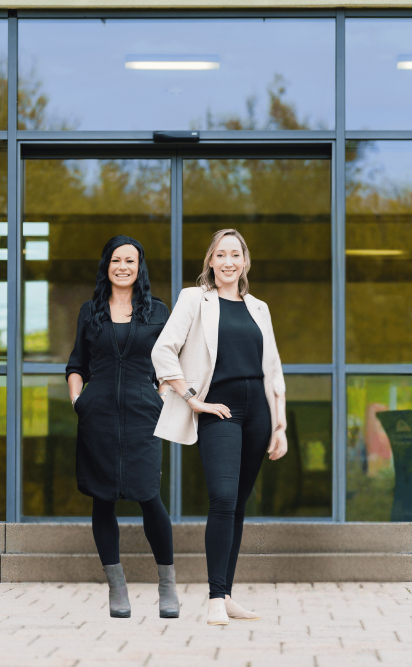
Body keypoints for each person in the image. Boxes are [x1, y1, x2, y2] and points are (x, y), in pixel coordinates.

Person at [151, 228, 288, 626]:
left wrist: (279, 426)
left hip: (259, 412)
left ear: (245, 262)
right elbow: (163, 349)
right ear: (211, 261)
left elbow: (273, 369)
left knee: (239, 505)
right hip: (220, 410)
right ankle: (214, 598)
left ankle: (226, 594)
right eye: (221, 254)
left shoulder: (259, 308)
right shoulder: (195, 299)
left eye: (236, 255)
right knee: (224, 499)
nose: (228, 261)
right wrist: (193, 398)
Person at [65, 235, 178, 619]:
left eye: (130, 260)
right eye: (116, 260)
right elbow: (76, 364)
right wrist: (78, 400)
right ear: (107, 265)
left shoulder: (158, 312)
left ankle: (167, 586)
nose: (123, 266)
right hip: (97, 416)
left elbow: (171, 362)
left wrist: (161, 396)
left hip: (143, 413)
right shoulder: (90, 311)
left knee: (150, 496)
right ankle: (117, 588)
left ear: (139, 266)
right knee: (103, 499)